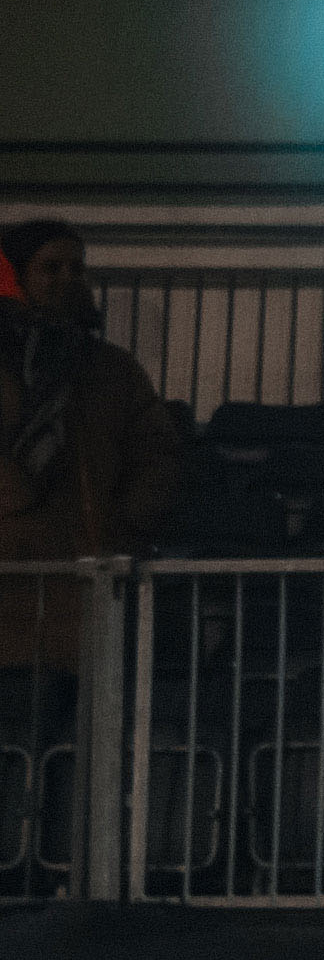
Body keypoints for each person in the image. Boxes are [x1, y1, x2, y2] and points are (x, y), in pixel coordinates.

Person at [0, 215, 182, 698]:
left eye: (76, 269)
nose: (67, 279)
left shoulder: (112, 370)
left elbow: (156, 456)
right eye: (50, 267)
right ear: (16, 275)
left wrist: (121, 528)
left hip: (83, 586)